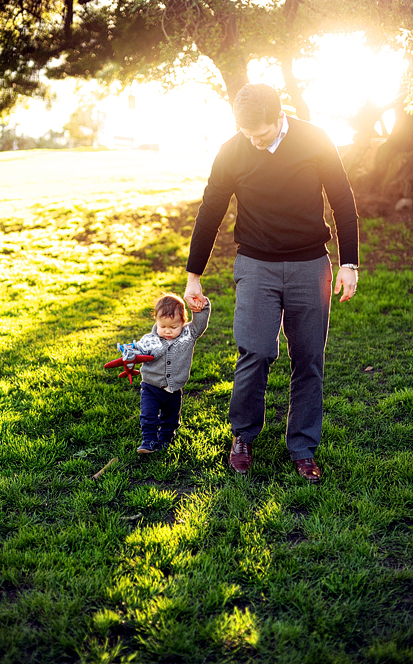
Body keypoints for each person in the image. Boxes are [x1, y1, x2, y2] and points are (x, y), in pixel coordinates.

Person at [184, 83, 359, 482]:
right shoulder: (233, 149)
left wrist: (349, 262)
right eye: (246, 134)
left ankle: (302, 448)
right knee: (256, 351)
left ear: (280, 116)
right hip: (256, 266)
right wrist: (194, 275)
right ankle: (243, 436)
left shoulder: (315, 139)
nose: (253, 141)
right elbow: (210, 210)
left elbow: (343, 200)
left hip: (310, 264)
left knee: (309, 358)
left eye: (260, 134)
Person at [122, 293, 211, 454]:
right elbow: (138, 349)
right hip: (151, 386)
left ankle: (165, 440)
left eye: (173, 327)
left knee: (170, 418)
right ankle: (148, 440)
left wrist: (202, 306)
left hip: (174, 388)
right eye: (163, 327)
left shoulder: (188, 335)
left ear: (183, 323)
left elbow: (200, 324)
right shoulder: (150, 339)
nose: (167, 331)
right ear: (156, 320)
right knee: (148, 415)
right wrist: (130, 353)